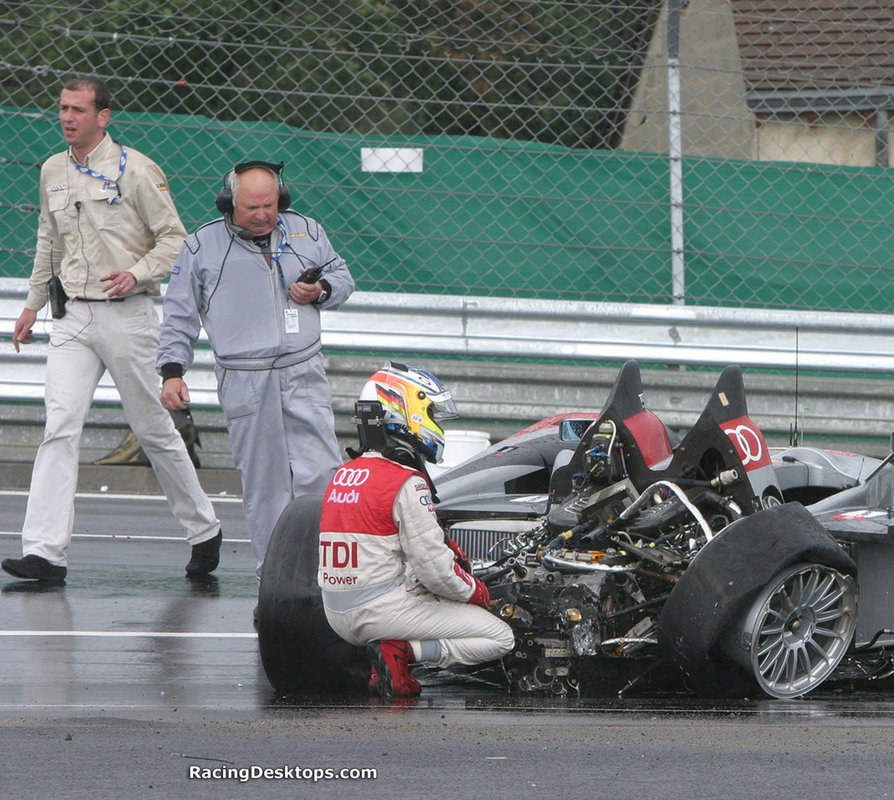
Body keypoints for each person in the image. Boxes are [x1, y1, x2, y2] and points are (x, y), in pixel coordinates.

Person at [4, 76, 222, 584]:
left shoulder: (138, 170)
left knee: (153, 429)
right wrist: (33, 304)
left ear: (103, 116)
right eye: (62, 108)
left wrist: (137, 273)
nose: (67, 118)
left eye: (78, 110)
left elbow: (175, 241)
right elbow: (47, 239)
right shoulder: (52, 170)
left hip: (128, 314)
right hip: (72, 315)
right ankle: (44, 553)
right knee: (59, 426)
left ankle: (203, 528)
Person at [156, 161, 354, 575]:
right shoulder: (200, 247)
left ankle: (328, 579)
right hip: (244, 379)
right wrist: (172, 371)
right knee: (266, 487)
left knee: (322, 477)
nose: (263, 214)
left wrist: (321, 290)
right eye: (251, 207)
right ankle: (275, 580)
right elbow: (178, 315)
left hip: (304, 371)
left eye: (270, 205)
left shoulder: (308, 230)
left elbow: (343, 278)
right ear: (229, 203)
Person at [317, 363, 514, 697]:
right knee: (501, 637)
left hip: (334, 612)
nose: (435, 422)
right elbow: (435, 570)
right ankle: (402, 653)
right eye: (431, 412)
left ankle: (388, 655)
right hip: (378, 611)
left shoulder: (343, 473)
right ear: (406, 410)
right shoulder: (405, 482)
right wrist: (475, 591)